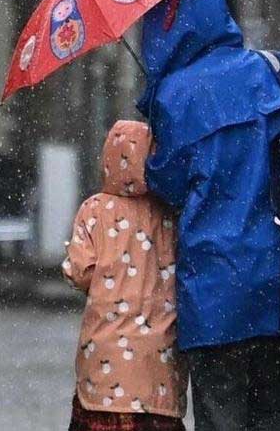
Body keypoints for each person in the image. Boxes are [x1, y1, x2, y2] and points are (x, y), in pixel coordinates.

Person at [137, 0, 280, 430]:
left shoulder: (176, 96)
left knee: (221, 414)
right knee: (274, 413)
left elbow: (169, 185)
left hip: (219, 289)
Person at [62, 120, 185, 431]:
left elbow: (81, 272)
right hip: (158, 368)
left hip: (103, 369)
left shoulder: (94, 211)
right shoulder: (169, 214)